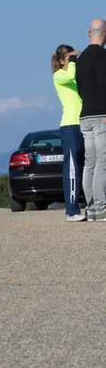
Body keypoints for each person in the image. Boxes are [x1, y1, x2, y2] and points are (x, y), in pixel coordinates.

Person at [75, 19, 106, 222]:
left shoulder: (81, 57)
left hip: (84, 115)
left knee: (90, 164)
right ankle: (102, 209)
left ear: (89, 33)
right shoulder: (101, 55)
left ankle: (92, 209)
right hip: (100, 115)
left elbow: (79, 88)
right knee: (102, 162)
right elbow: (104, 83)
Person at [51, 45, 85, 221]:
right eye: (70, 58)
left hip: (84, 122)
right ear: (63, 60)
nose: (73, 61)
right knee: (72, 168)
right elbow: (70, 75)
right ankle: (72, 211)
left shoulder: (74, 75)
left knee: (88, 167)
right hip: (70, 125)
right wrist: (73, 59)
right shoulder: (59, 75)